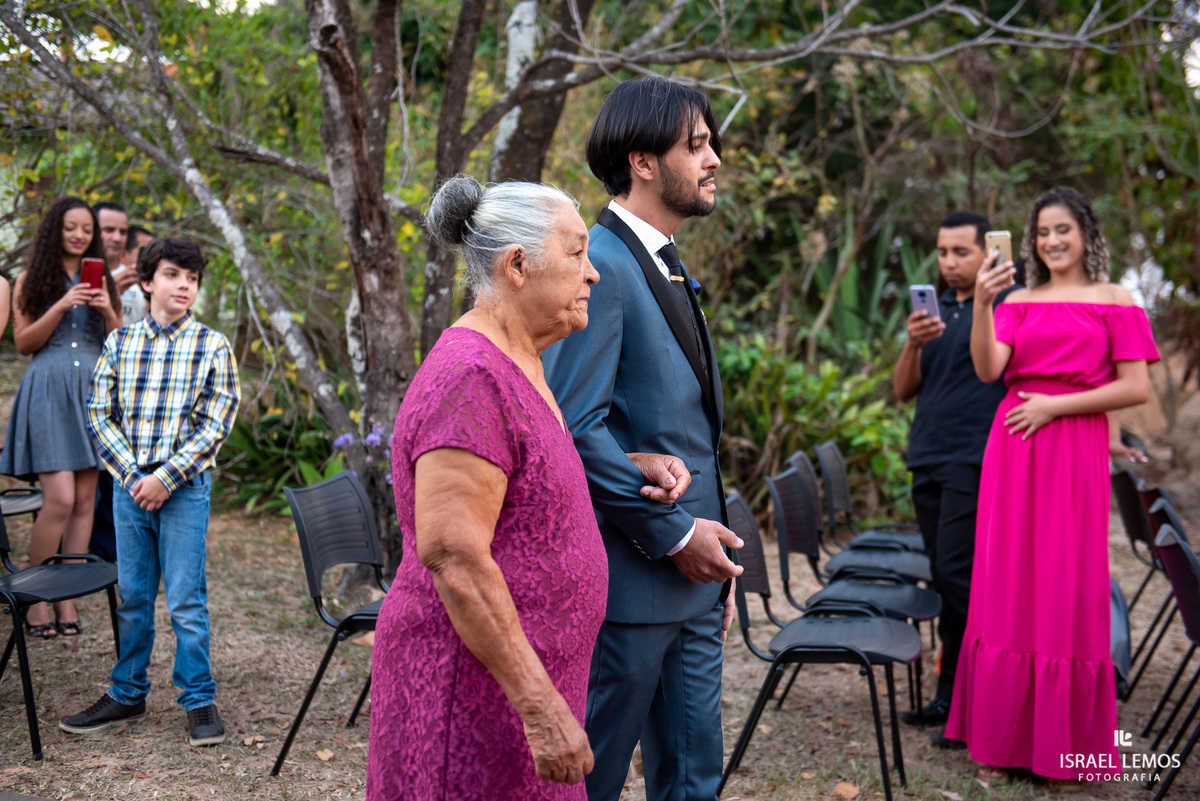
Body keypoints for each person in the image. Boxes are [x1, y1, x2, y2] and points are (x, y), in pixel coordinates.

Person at [366, 175, 691, 800]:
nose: (593, 274)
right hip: (475, 695)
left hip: (523, 686)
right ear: (517, 265)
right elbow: (454, 555)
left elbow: (528, 476)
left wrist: (636, 460)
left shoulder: (519, 362)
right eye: (576, 254)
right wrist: (541, 710)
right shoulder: (470, 378)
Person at [542, 76, 743, 801]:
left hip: (692, 585)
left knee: (693, 783)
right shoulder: (601, 264)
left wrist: (707, 552)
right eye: (696, 145)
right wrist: (676, 532)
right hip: (629, 586)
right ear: (643, 161)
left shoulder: (666, 261)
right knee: (586, 786)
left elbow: (683, 429)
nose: (714, 157)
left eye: (711, 141)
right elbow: (572, 426)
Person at [945, 186, 1159, 784]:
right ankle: (1007, 738)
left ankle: (1065, 746)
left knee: (1066, 582)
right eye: (1042, 232)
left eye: (1062, 229)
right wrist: (985, 304)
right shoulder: (1019, 299)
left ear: (1086, 233)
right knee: (1010, 582)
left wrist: (1058, 409)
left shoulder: (1115, 298)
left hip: (1072, 451)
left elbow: (1135, 387)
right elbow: (991, 369)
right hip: (1015, 450)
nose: (1051, 241)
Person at [61, 237, 240, 747]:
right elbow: (99, 414)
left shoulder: (212, 345)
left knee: (186, 599)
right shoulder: (120, 343)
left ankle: (199, 698)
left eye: (193, 278)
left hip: (184, 489)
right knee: (134, 596)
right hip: (128, 487)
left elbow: (215, 422)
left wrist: (166, 477)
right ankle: (127, 691)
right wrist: (136, 476)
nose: (184, 285)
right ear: (146, 282)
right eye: (172, 275)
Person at [892, 211, 1017, 746]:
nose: (949, 262)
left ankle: (966, 700)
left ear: (988, 252)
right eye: (942, 252)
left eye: (961, 252)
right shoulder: (934, 310)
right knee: (947, 578)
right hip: (928, 456)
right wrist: (913, 343)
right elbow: (902, 390)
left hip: (976, 458)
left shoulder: (1008, 308)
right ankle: (952, 696)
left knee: (958, 576)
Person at [0, 197, 121, 638]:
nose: (79, 235)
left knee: (86, 502)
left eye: (86, 229)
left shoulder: (103, 279)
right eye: (71, 227)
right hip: (49, 392)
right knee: (61, 500)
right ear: (56, 230)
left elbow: (116, 343)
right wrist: (63, 303)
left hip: (91, 392)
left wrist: (107, 308)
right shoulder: (31, 279)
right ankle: (33, 602)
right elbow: (24, 343)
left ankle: (66, 600)